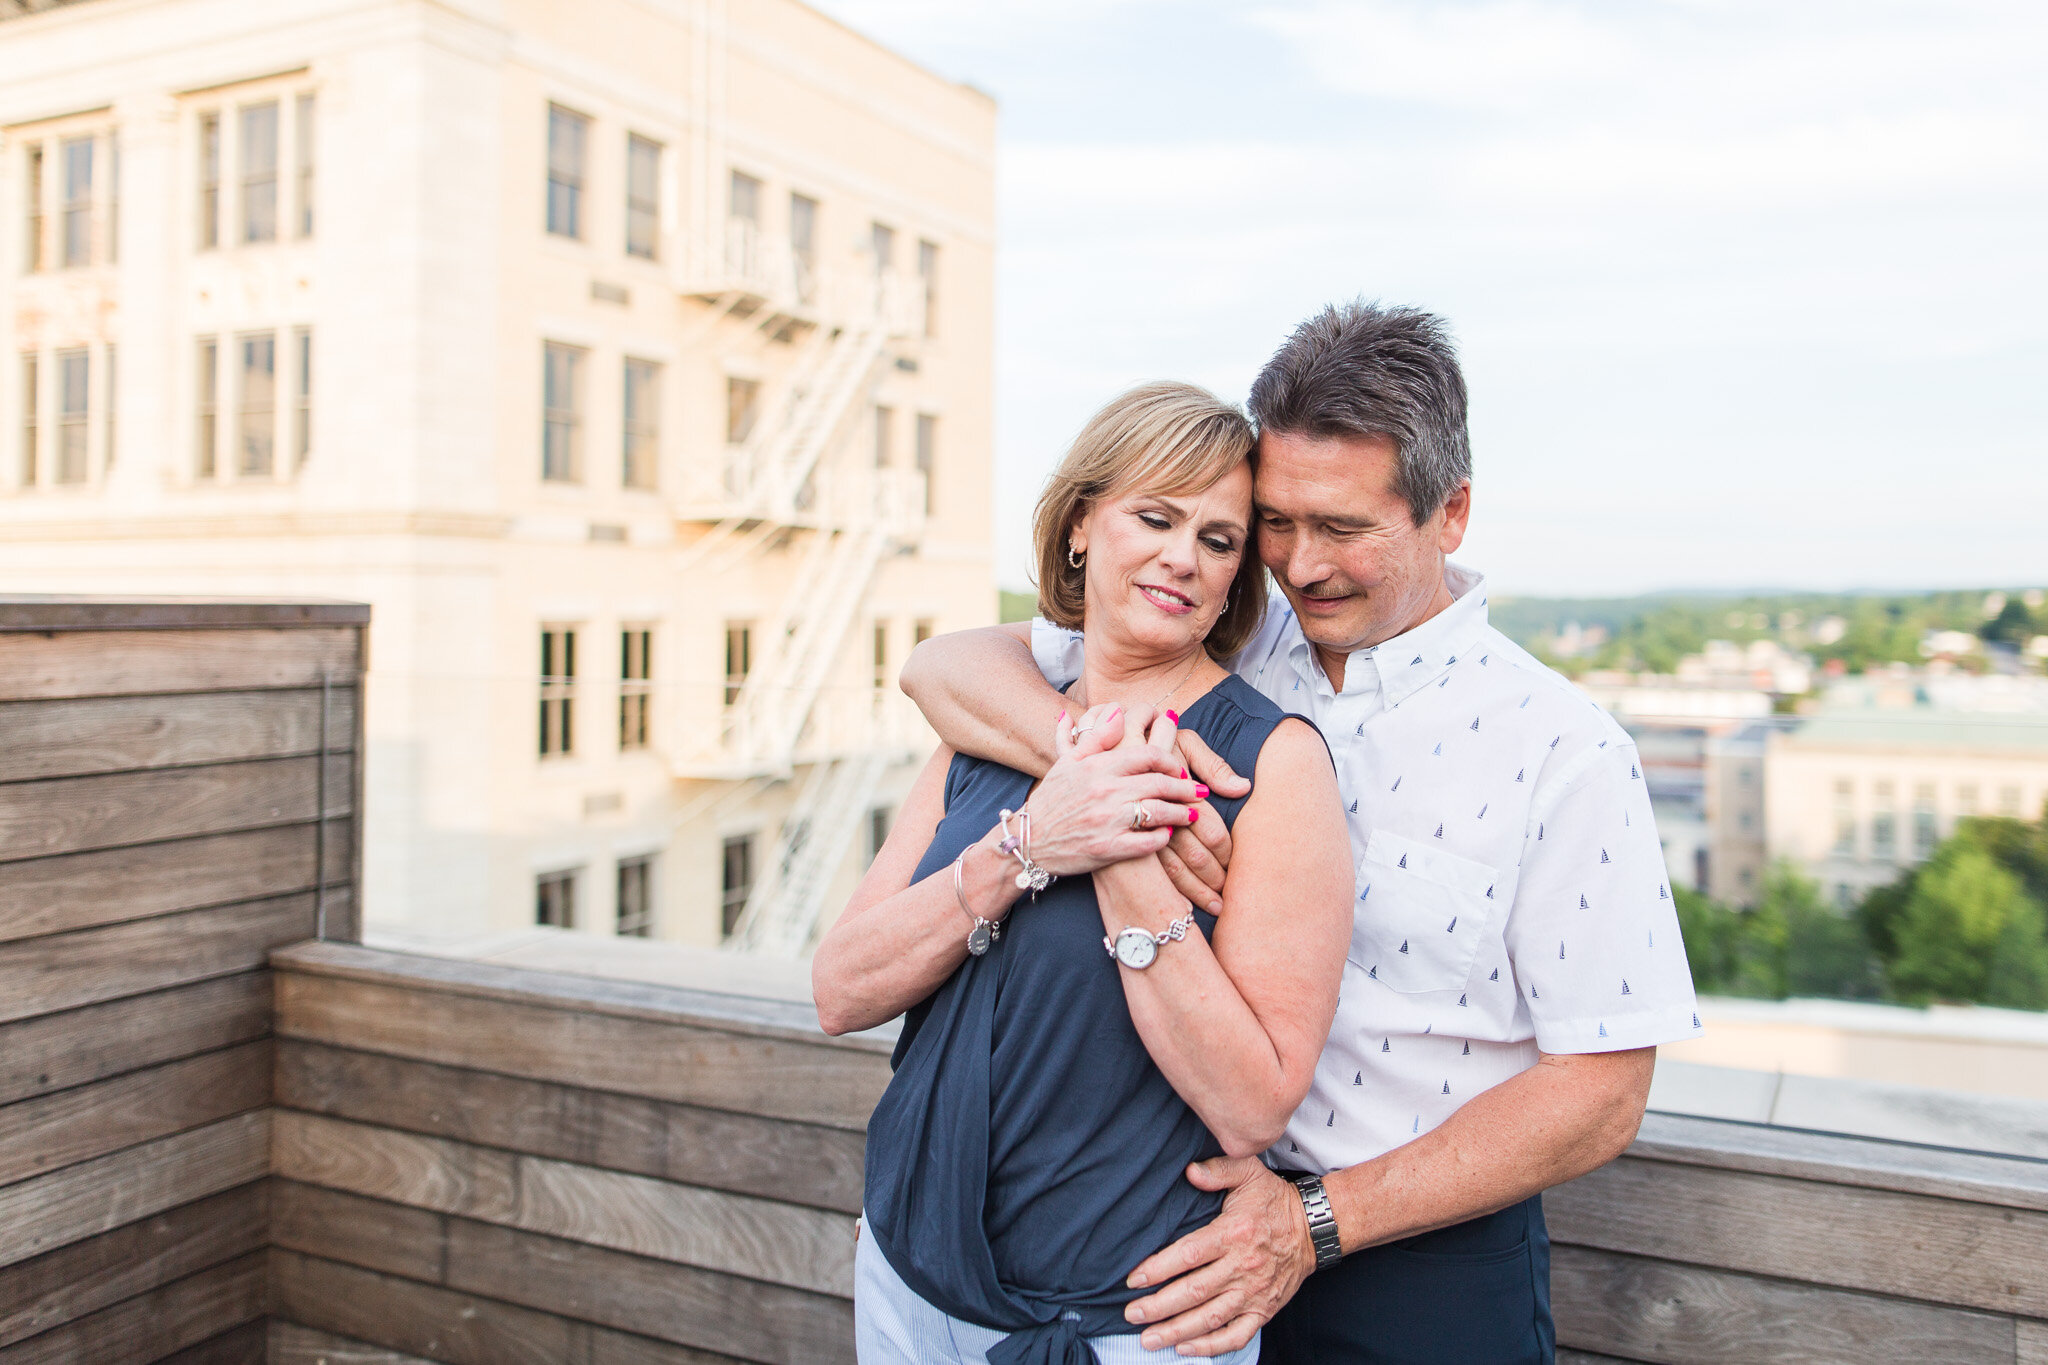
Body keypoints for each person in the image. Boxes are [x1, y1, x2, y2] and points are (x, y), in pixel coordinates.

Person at [901, 303, 1704, 1364]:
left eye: (1344, 529)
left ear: (1448, 512)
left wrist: (1316, 1221)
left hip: (1409, 1267)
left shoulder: (1563, 749)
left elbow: (1601, 1096)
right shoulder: (1236, 630)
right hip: (1165, 1236)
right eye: (1277, 522)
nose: (1301, 563)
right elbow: (946, 666)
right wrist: (1096, 772)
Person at [815, 381, 1354, 1364]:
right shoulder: (988, 727)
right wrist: (1030, 843)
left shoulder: (1267, 764)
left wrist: (1120, 843)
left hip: (1123, 1323)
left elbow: (1253, 1102)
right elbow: (840, 990)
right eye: (1153, 517)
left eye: (1218, 540)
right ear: (1077, 528)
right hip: (906, 1277)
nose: (1181, 558)